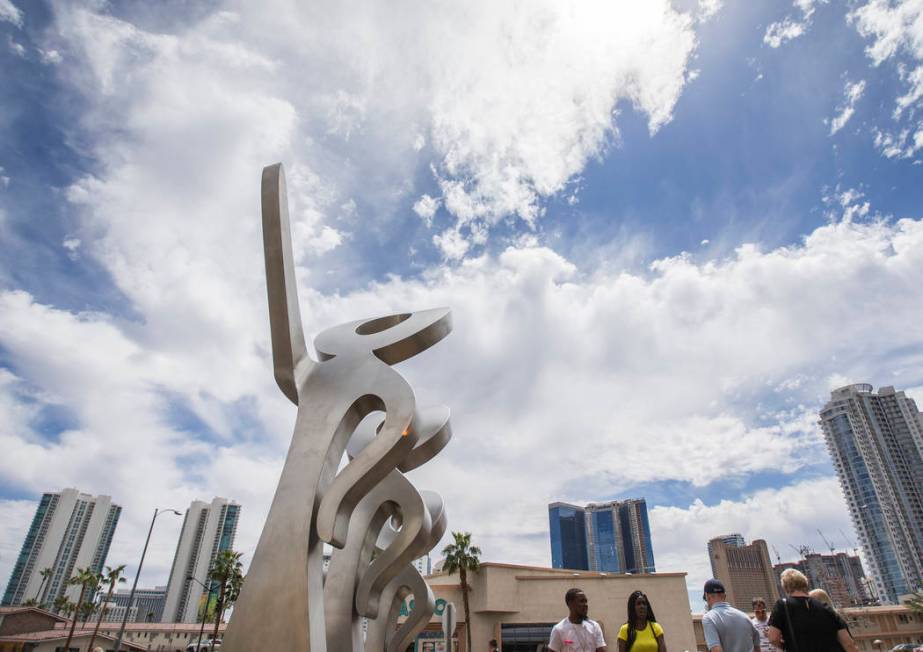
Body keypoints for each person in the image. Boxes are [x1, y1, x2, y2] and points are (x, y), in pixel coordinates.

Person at [768, 569, 858, 652]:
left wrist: (786, 646)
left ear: (785, 587)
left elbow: (773, 638)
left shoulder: (782, 605)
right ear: (805, 584)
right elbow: (848, 644)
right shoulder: (826, 608)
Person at [701, 579, 760, 652]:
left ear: (707, 596)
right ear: (725, 595)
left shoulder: (709, 618)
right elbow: (757, 647)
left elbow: (716, 650)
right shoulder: (745, 617)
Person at [548, 588, 607, 652]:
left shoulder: (594, 626)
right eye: (581, 601)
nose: (585, 605)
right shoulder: (559, 629)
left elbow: (601, 650)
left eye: (586, 601)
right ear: (570, 604)